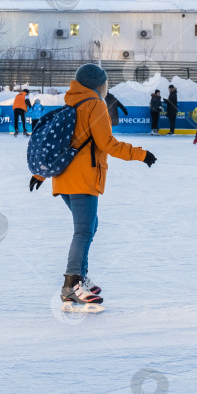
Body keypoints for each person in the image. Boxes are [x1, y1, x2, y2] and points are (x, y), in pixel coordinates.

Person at [29, 64, 156, 309]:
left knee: (90, 226)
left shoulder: (72, 103)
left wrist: (41, 175)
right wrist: (141, 154)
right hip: (83, 178)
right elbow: (107, 143)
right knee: (84, 230)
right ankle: (71, 285)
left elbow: (62, 145)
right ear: (99, 85)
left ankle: (80, 277)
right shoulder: (95, 104)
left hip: (63, 178)